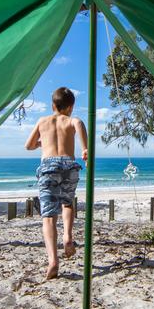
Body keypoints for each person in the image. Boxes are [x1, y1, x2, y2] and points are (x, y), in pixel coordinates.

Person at [24, 87, 88, 279]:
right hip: (69, 164)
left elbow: (28, 145)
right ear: (71, 106)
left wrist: (41, 144)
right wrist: (85, 149)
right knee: (67, 203)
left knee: (49, 216)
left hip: (48, 167)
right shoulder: (73, 120)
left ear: (53, 105)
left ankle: (53, 260)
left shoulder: (42, 121)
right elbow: (81, 133)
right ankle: (68, 237)